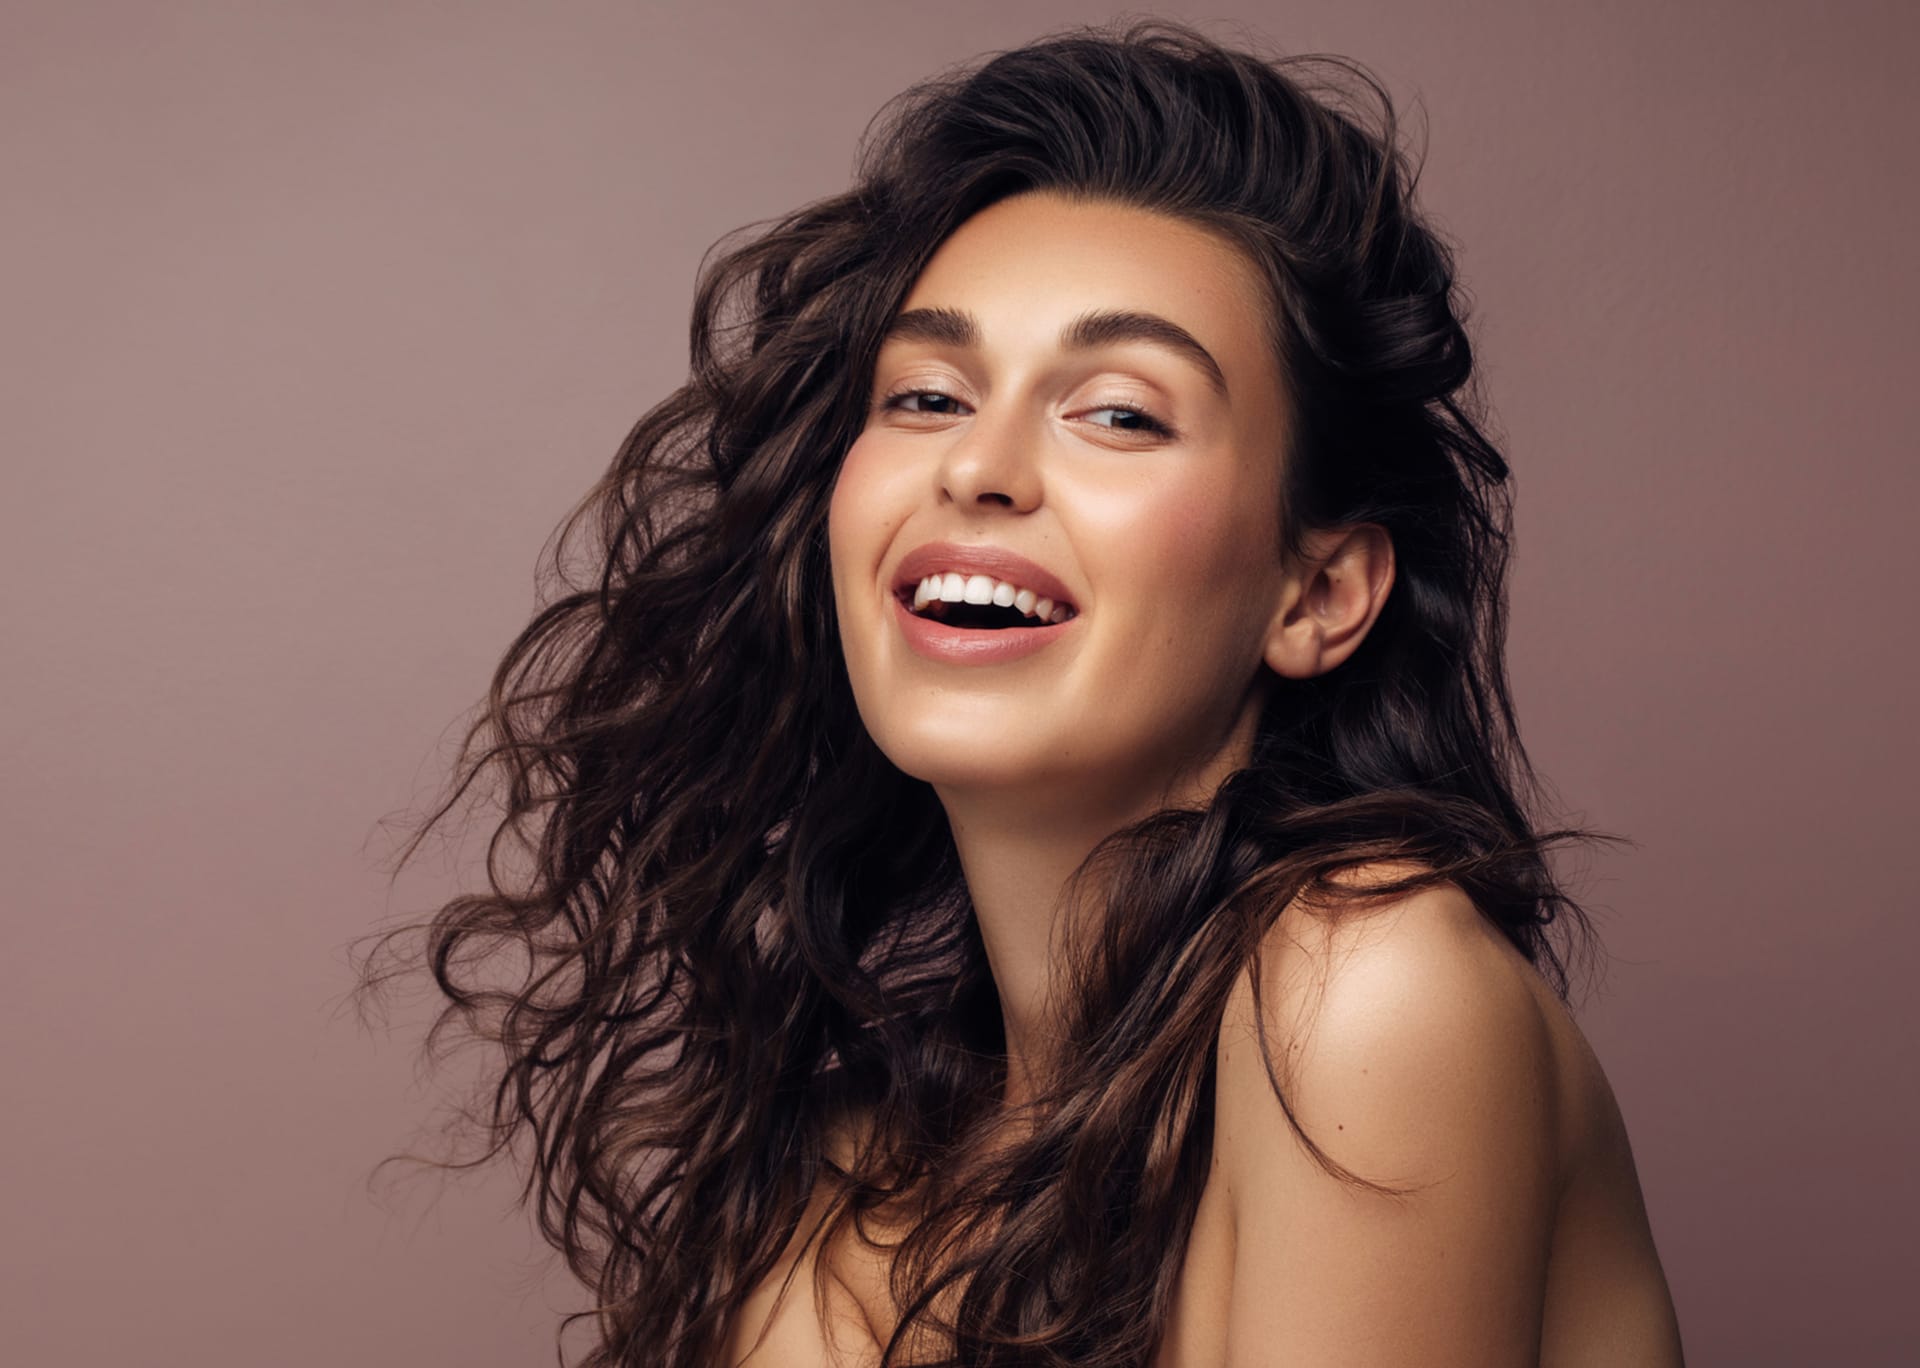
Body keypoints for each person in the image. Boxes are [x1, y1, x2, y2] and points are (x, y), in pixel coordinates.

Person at [367, 18, 1684, 1367]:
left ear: (1317, 593)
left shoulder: (1367, 994)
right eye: (928, 396)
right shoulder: (854, 1189)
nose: (980, 468)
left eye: (1118, 412)